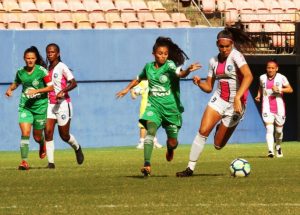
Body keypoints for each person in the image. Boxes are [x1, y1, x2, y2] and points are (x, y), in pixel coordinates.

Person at [116, 36, 201, 176]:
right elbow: (138, 79)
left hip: (171, 109)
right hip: (153, 107)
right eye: (160, 53)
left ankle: (170, 149)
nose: (163, 56)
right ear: (154, 54)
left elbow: (179, 74)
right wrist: (126, 89)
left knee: (173, 142)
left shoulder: (170, 65)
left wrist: (187, 71)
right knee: (150, 132)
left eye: (165, 54)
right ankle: (147, 165)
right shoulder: (148, 67)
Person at [176, 27, 255, 177]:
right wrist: (199, 82)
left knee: (218, 145)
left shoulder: (236, 56)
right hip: (218, 99)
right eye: (221, 46)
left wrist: (238, 97)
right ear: (217, 45)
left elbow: (249, 76)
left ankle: (221, 126)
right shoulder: (213, 61)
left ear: (232, 45)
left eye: (227, 46)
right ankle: (190, 168)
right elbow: (208, 87)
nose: (224, 49)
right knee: (203, 131)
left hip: (236, 105)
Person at [5, 46, 54, 170]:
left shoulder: (42, 71)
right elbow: (16, 83)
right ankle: (24, 162)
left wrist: (36, 90)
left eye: (32, 58)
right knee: (25, 133)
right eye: (28, 58)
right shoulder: (20, 72)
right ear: (24, 59)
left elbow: (51, 87)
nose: (30, 60)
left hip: (40, 107)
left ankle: (42, 143)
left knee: (37, 136)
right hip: (25, 107)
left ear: (36, 59)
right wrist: (10, 89)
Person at [44, 43, 84, 169]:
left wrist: (63, 91)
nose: (50, 54)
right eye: (48, 52)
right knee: (48, 132)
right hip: (50, 105)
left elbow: (74, 83)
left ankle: (77, 147)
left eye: (52, 52)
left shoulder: (62, 67)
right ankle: (51, 163)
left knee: (64, 136)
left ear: (58, 53)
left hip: (62, 105)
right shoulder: (47, 69)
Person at [255, 59, 293, 158]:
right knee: (269, 128)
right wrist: (258, 95)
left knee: (279, 131)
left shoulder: (281, 77)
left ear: (276, 68)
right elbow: (260, 87)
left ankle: (278, 146)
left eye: (272, 68)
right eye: (268, 67)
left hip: (279, 107)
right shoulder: (262, 77)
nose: (270, 70)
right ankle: (270, 151)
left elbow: (290, 89)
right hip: (266, 107)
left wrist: (280, 89)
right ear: (266, 68)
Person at [130, 80, 163, 149]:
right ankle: (141, 142)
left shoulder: (157, 81)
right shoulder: (143, 82)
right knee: (143, 125)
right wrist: (133, 94)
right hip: (145, 106)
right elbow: (134, 90)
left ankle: (154, 141)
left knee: (153, 124)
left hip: (154, 106)